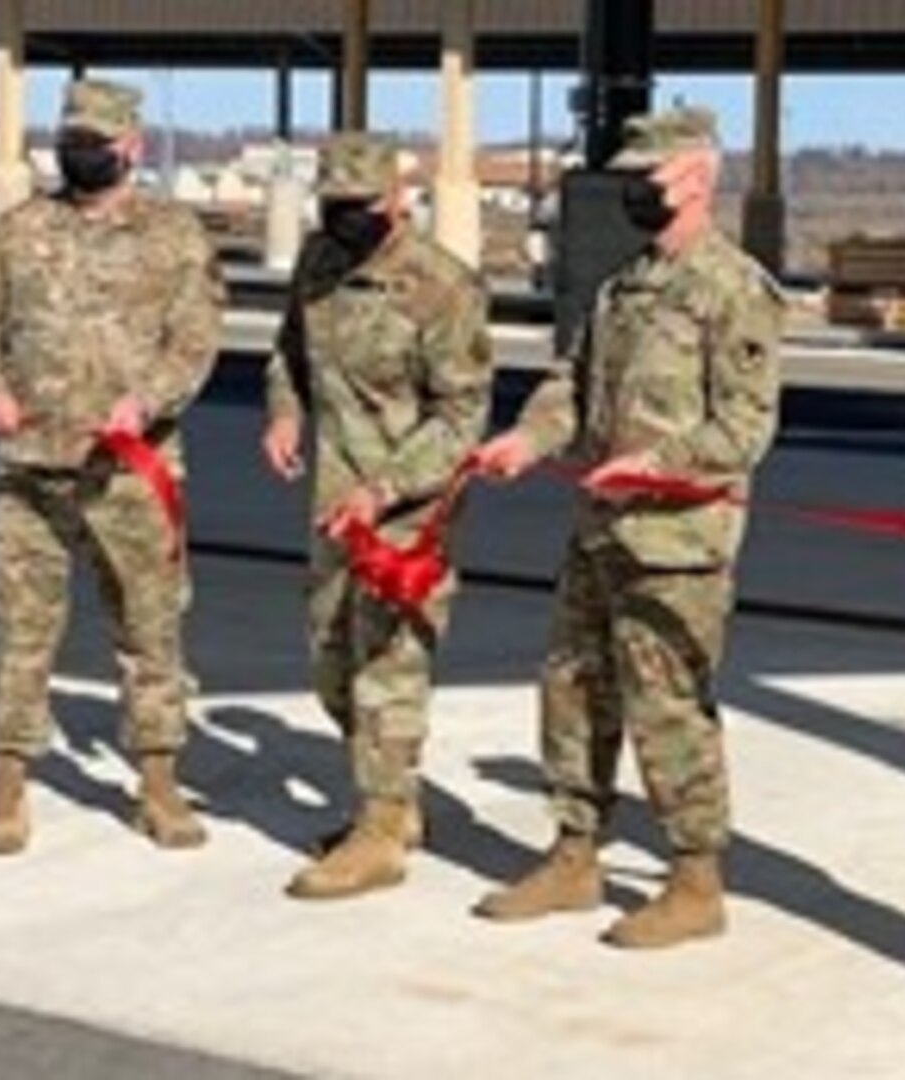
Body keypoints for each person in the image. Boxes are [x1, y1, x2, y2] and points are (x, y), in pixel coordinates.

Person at [470, 107, 783, 949]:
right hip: (600, 530)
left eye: (650, 174)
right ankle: (574, 854)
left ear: (697, 178)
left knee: (668, 708)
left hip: (677, 546)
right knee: (571, 689)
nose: (634, 190)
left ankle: (694, 879)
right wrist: (527, 440)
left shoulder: (733, 289)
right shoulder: (620, 288)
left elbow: (743, 430)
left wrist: (658, 465)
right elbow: (571, 383)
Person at [0, 79, 225, 855]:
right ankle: (6, 784)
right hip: (30, 471)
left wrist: (149, 400)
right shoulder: (18, 231)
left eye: (95, 145)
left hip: (130, 471)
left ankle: (159, 783)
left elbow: (194, 340)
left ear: (131, 148)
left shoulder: (174, 237)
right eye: (70, 143)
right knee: (20, 629)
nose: (80, 156)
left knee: (150, 628)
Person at [262, 133, 493, 900]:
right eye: (333, 206)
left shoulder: (440, 287)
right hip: (332, 502)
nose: (346, 219)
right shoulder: (320, 265)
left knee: (386, 673)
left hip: (407, 512)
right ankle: (392, 805)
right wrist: (284, 413)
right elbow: (288, 352)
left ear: (398, 199)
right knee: (331, 666)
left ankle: (381, 831)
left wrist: (386, 487)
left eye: (360, 207)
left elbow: (462, 415)